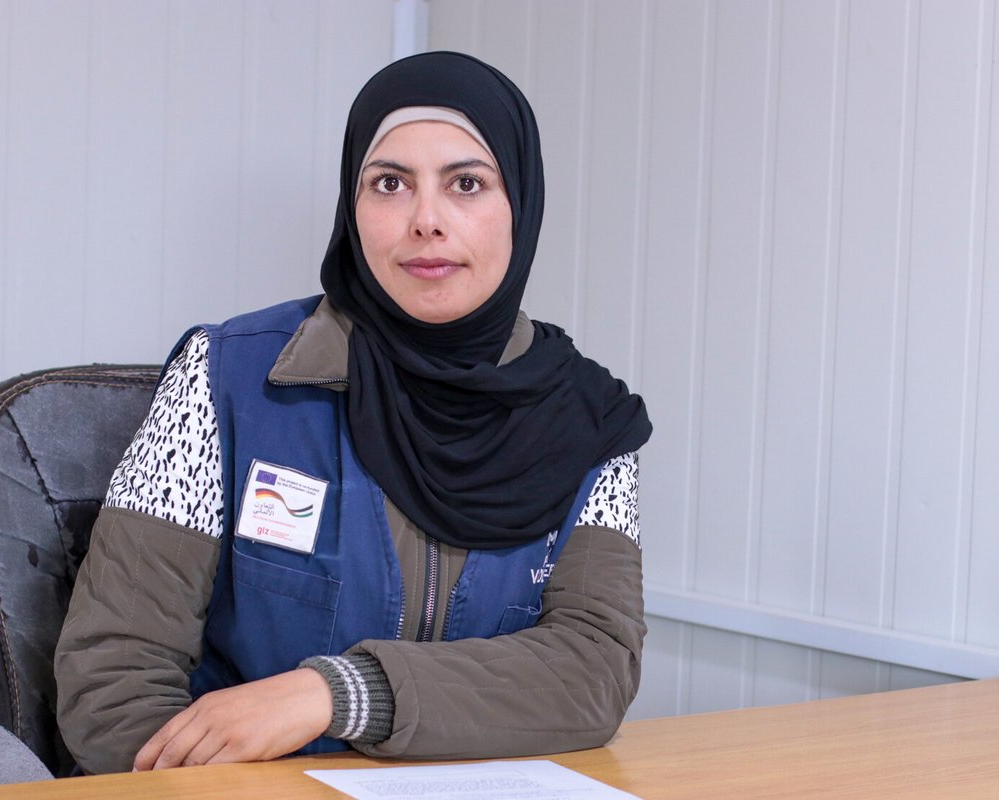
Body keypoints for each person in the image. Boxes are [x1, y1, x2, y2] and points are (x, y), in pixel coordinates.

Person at [54, 50, 653, 775]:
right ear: (353, 205)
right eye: (390, 184)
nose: (426, 221)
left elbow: (592, 674)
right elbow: (112, 688)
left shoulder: (592, 425)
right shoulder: (223, 380)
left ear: (519, 205)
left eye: (466, 183)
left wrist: (337, 693)